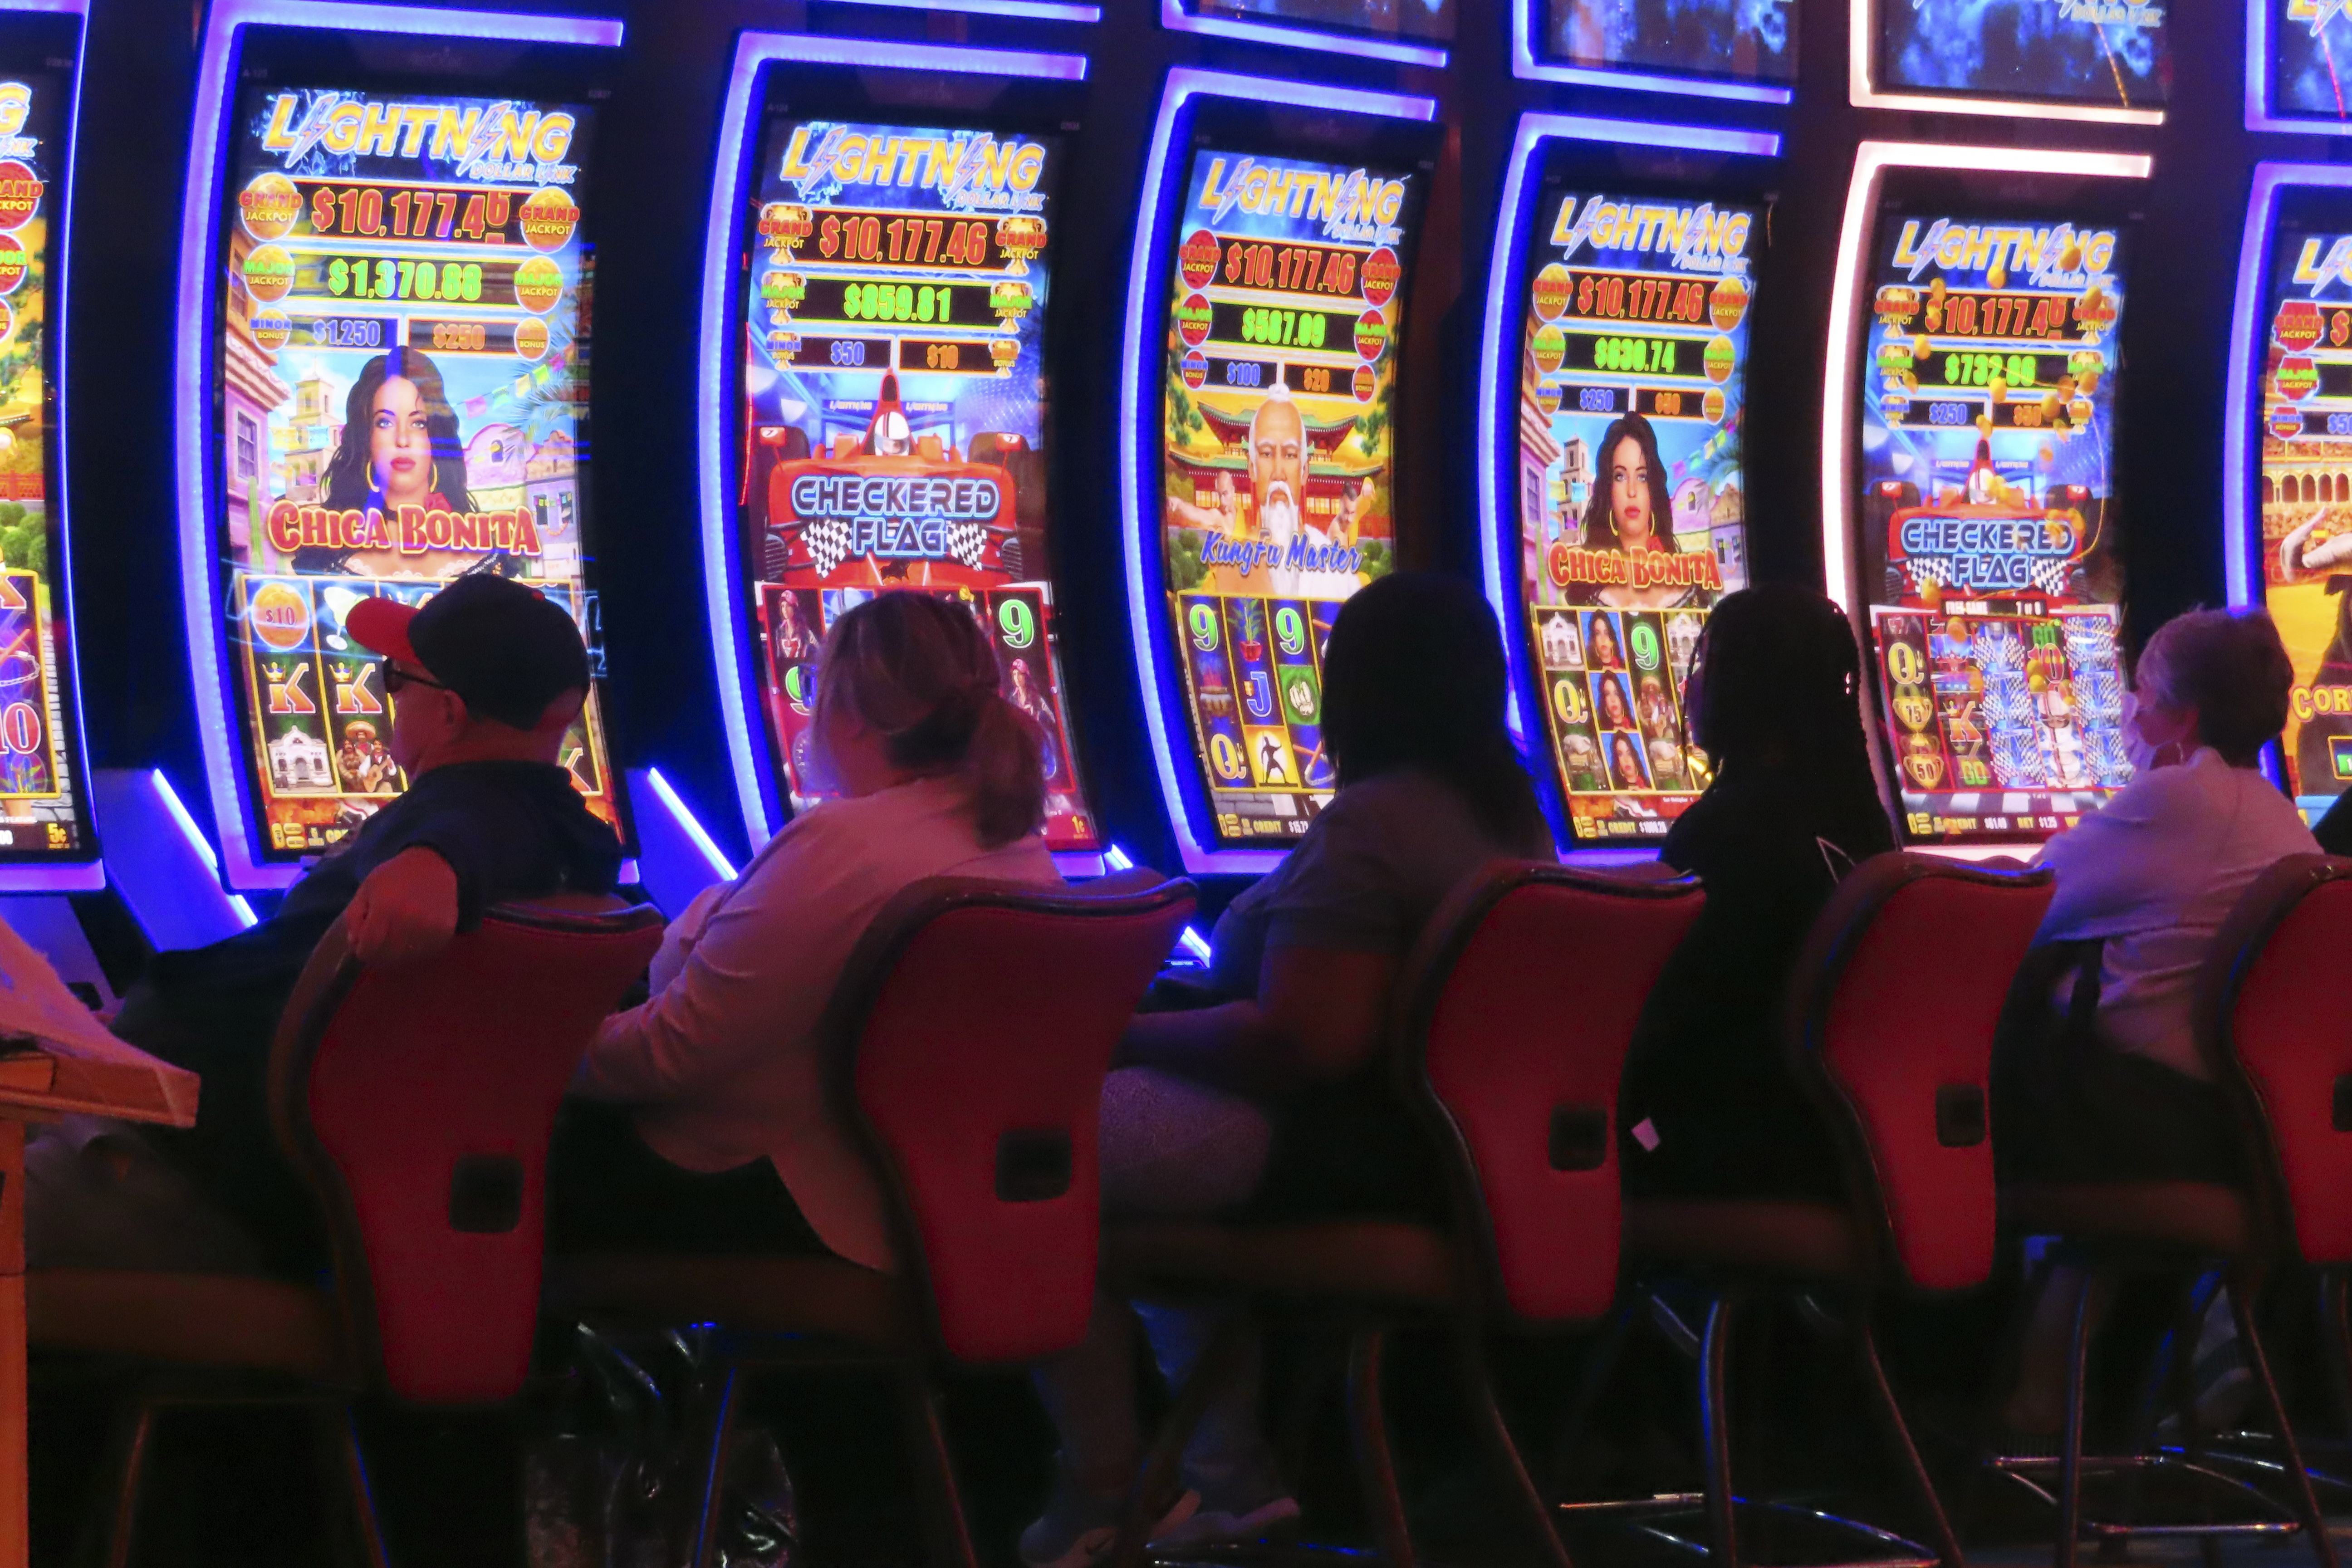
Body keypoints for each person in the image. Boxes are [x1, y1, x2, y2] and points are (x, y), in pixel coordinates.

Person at [1023, 573, 1554, 1568]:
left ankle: (1102, 1486)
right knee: (1131, 1164)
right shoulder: (1512, 818)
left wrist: (1119, 1036)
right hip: (1446, 1159)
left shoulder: (1375, 825)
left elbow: (1307, 1040)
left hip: (1344, 1146)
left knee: (1024, 1146)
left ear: (1355, 689)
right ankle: (1227, 1485)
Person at [29, 574, 623, 1273]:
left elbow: (477, 825)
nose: (383, 698)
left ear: (451, 716)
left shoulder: (458, 831)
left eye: (393, 679)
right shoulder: (571, 843)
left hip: (196, 1190)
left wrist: (439, 860)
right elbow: (527, 824)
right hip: (292, 1190)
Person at [558, 591, 1061, 1264]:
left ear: (850, 715)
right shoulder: (1020, 843)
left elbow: (674, 1057)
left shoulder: (842, 844)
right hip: (939, 1197)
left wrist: (538, 1048)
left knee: (510, 1156)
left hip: (802, 1192)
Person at [1994, 607, 2317, 1438]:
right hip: (2230, 1125)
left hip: (2140, 1119)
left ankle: (1977, 1410)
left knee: (1936, 1114)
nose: (2128, 715)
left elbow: (2013, 907)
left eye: (2138, 694)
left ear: (2181, 715)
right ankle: (2052, 1414)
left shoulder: (2178, 798)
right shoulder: (2275, 815)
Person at [1617, 584, 1896, 1200]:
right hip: (1851, 1146)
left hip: (1735, 1149)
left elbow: (1668, 1016)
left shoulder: (1729, 829)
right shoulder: (1868, 828)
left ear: (1740, 687)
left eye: (1706, 662)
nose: (1689, 686)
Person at [303, 347, 498, 578]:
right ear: (367, 438)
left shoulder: (487, 559)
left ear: (436, 436)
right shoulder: (326, 557)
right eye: (385, 423)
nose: (403, 440)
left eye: (418, 424)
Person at [1570, 412, 1691, 611]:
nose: (1632, 491)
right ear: (1608, 489)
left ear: (1654, 488)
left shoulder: (1687, 590)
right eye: (1620, 477)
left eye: (1642, 477)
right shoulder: (1588, 592)